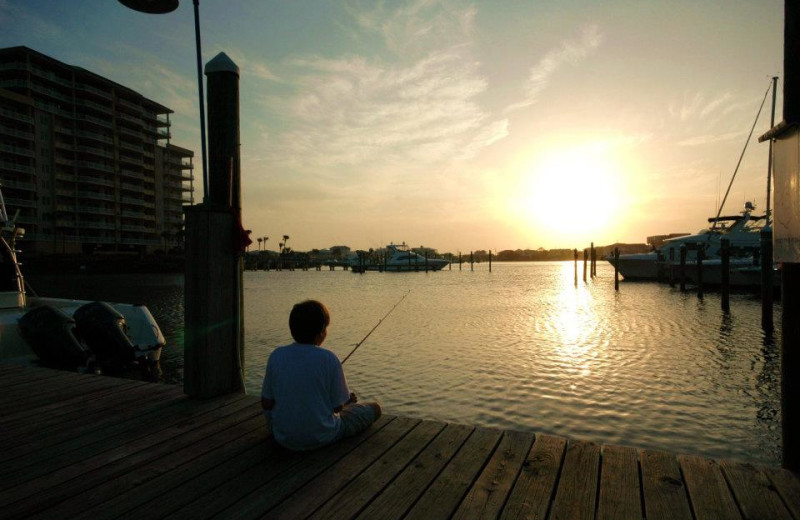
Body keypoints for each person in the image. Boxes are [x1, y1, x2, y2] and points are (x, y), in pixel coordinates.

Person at [261, 300, 382, 451]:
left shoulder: (276, 355)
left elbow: (266, 402)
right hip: (324, 437)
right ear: (321, 332)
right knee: (375, 408)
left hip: (283, 438)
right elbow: (337, 408)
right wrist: (348, 401)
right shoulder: (329, 358)